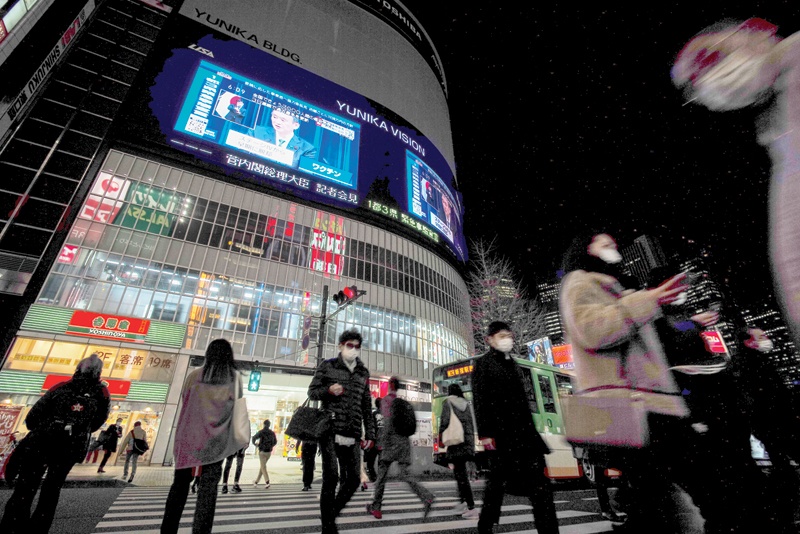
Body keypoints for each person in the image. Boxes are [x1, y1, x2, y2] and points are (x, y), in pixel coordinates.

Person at [559, 232, 745, 532]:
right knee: (707, 490)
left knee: (659, 501)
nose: (613, 249)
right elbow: (593, 331)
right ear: (586, 248)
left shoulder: (616, 286)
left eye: (613, 244)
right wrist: (651, 299)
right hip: (634, 406)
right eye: (603, 244)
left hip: (652, 405)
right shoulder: (580, 282)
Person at [672, 18, 800, 358]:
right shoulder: (779, 119)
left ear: (756, 32)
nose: (708, 86)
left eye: (711, 62)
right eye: (698, 86)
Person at [0, 354, 109, 534]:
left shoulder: (61, 387)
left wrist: (47, 428)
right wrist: (77, 431)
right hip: (70, 448)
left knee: (26, 487)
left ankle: (12, 526)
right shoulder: (102, 392)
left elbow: (32, 418)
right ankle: (38, 528)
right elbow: (97, 421)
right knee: (51, 490)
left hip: (42, 443)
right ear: (99, 372)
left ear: (78, 368)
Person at [471, 321, 559, 534]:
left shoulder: (514, 364)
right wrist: (485, 434)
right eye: (501, 336)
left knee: (541, 489)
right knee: (495, 489)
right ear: (490, 339)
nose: (507, 339)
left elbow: (522, 403)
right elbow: (480, 401)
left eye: (508, 335)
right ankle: (485, 527)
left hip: (525, 437)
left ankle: (548, 530)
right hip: (501, 436)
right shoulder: (482, 365)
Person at [160, 339, 248, 534]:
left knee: (179, 486)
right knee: (208, 491)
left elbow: (185, 400)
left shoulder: (194, 376)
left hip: (188, 438)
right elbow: (238, 410)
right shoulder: (233, 379)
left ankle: (168, 530)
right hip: (215, 442)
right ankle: (201, 531)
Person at [731, 326, 800, 533]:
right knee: (786, 458)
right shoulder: (754, 363)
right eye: (762, 336)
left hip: (766, 423)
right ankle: (786, 508)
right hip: (776, 420)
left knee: (780, 461)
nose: (767, 339)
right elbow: (771, 394)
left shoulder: (742, 362)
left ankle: (785, 508)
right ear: (748, 342)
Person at [308, 329, 376, 534]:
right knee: (331, 478)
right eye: (349, 345)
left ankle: (330, 515)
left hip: (353, 431)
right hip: (330, 429)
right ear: (340, 346)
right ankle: (328, 527)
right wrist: (328, 391)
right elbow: (312, 392)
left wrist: (370, 433)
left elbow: (366, 405)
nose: (353, 349)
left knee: (354, 479)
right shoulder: (328, 366)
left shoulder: (363, 372)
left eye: (356, 346)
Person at [366, 376, 435, 519]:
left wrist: (382, 443)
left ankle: (376, 507)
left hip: (391, 442)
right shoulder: (403, 402)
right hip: (404, 442)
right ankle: (426, 496)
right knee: (405, 474)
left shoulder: (386, 401)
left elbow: (387, 423)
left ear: (390, 385)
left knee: (382, 476)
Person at [438, 383, 478, 519]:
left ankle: (471, 507)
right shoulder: (466, 404)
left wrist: (441, 438)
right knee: (460, 474)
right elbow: (470, 425)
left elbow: (444, 422)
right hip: (466, 443)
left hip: (456, 443)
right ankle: (462, 503)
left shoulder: (448, 402)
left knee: (461, 476)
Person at [253, 107, 317, 168]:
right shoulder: (257, 132)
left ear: (295, 125)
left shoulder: (307, 149)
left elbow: (304, 174)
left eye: (283, 120)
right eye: (274, 117)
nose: (277, 122)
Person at [252, 420, 277, 488]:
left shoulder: (261, 432)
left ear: (264, 424)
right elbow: (275, 442)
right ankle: (256, 482)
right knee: (262, 467)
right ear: (269, 425)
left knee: (263, 467)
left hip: (262, 452)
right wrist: (270, 446)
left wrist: (256, 444)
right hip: (269, 452)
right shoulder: (272, 433)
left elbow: (253, 438)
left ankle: (267, 482)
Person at [363, 397, 382, 482]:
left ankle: (373, 476)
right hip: (383, 441)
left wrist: (369, 439)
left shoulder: (373, 414)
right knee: (381, 461)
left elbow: (370, 428)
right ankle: (381, 477)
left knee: (371, 461)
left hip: (374, 441)